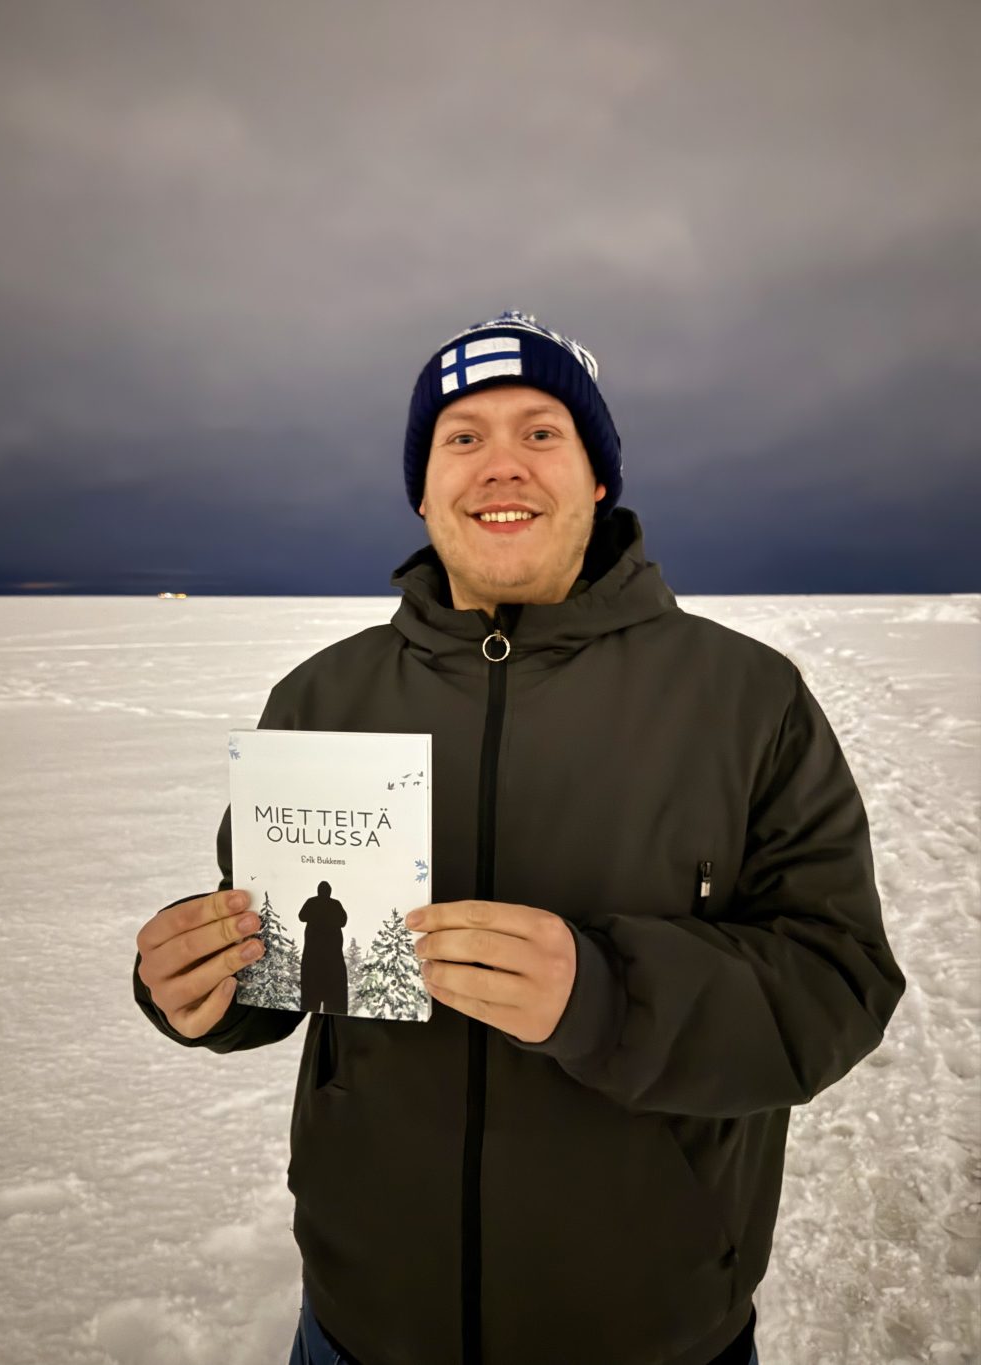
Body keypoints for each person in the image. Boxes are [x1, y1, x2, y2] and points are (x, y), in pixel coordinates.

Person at [134, 308, 906, 1365]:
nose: (501, 465)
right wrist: (202, 986)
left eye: (541, 432)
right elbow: (282, 964)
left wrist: (607, 995)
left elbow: (839, 981)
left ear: (597, 479)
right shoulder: (322, 695)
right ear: (422, 486)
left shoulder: (746, 700)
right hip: (363, 1324)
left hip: (651, 1329)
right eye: (462, 438)